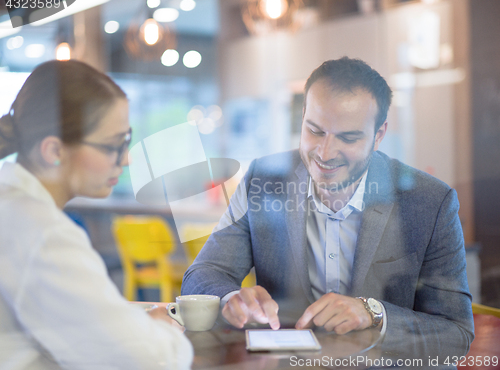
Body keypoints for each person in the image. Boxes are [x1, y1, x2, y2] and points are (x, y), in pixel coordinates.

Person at [182, 57, 474, 359]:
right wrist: (232, 298)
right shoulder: (262, 180)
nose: (325, 152)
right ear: (303, 118)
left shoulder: (430, 202)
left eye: (347, 137)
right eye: (315, 131)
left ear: (379, 135)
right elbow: (203, 274)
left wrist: (375, 314)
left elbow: (456, 334)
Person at [0, 60, 193, 369]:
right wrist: (161, 330)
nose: (126, 159)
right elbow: (149, 361)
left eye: (126, 142)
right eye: (113, 146)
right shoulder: (44, 234)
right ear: (54, 151)